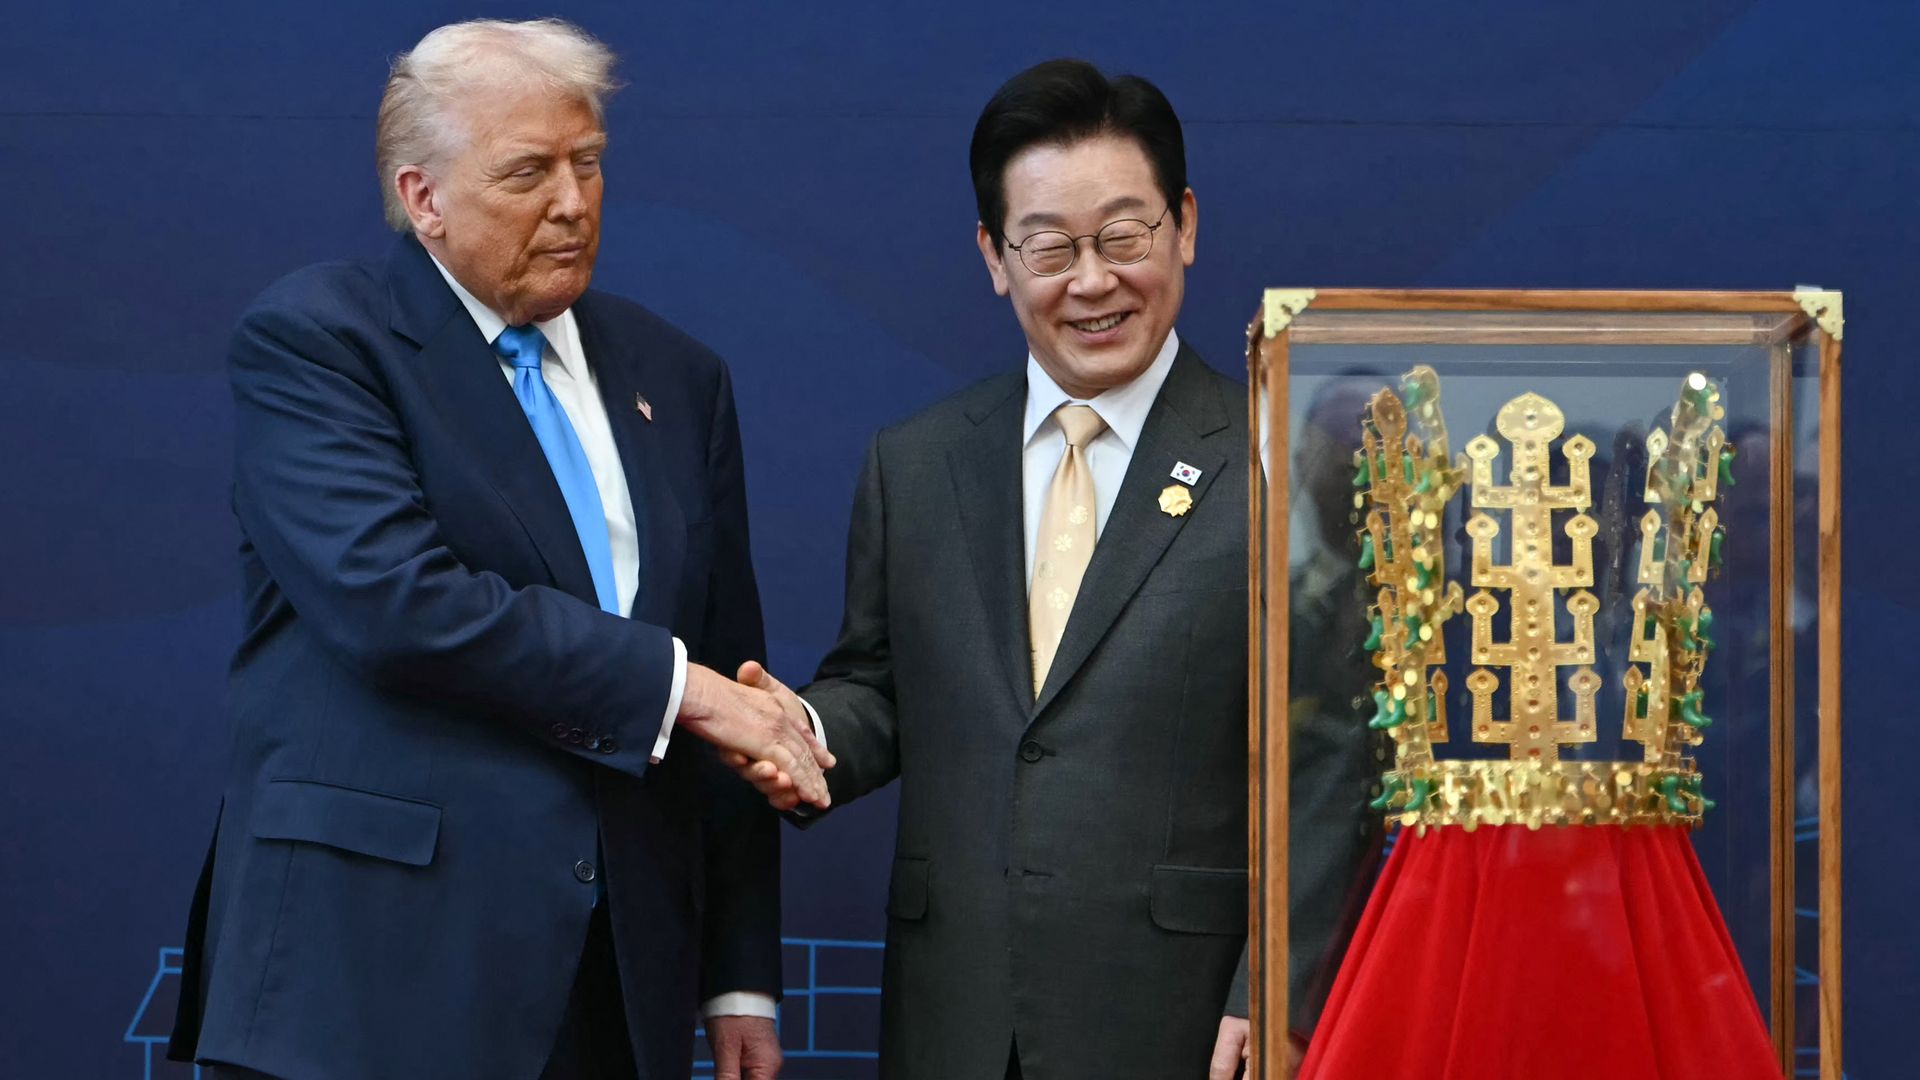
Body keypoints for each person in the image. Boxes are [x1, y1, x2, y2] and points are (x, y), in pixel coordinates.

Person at [165, 19, 829, 1080]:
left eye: (590, 163)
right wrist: (683, 690)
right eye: (529, 172)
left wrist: (738, 970)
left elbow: (731, 668)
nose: (573, 202)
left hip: (613, 988)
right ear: (423, 197)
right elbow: (396, 604)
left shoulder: (679, 375)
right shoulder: (321, 340)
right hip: (372, 979)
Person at [739, 59, 1365, 1080]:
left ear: (1187, 227)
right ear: (994, 256)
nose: (1091, 280)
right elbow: (882, 688)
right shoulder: (918, 461)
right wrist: (800, 735)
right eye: (1049, 245)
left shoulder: (1277, 459)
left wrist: (1278, 988)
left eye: (1125, 236)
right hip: (957, 1020)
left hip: (1189, 1022)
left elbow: (1337, 763)